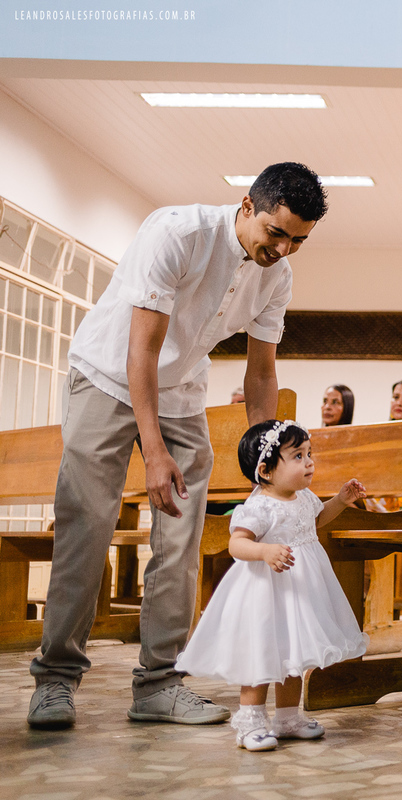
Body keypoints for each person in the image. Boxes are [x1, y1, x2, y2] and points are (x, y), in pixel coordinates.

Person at [27, 162, 328, 731]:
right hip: (109, 377)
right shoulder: (177, 233)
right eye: (276, 233)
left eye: (298, 240)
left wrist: (272, 462)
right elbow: (141, 352)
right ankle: (56, 680)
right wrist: (154, 451)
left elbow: (262, 376)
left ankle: (159, 684)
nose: (284, 248)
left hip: (183, 393)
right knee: (87, 525)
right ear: (246, 206)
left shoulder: (277, 276)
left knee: (183, 537)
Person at [176, 420, 369, 751]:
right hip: (266, 592)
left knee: (294, 651)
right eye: (297, 456)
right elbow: (237, 544)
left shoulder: (305, 497)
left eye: (309, 453)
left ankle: (288, 717)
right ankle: (250, 720)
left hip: (301, 590)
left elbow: (317, 519)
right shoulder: (259, 506)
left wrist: (341, 499)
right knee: (262, 652)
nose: (308, 462)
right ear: (265, 470)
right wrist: (264, 551)